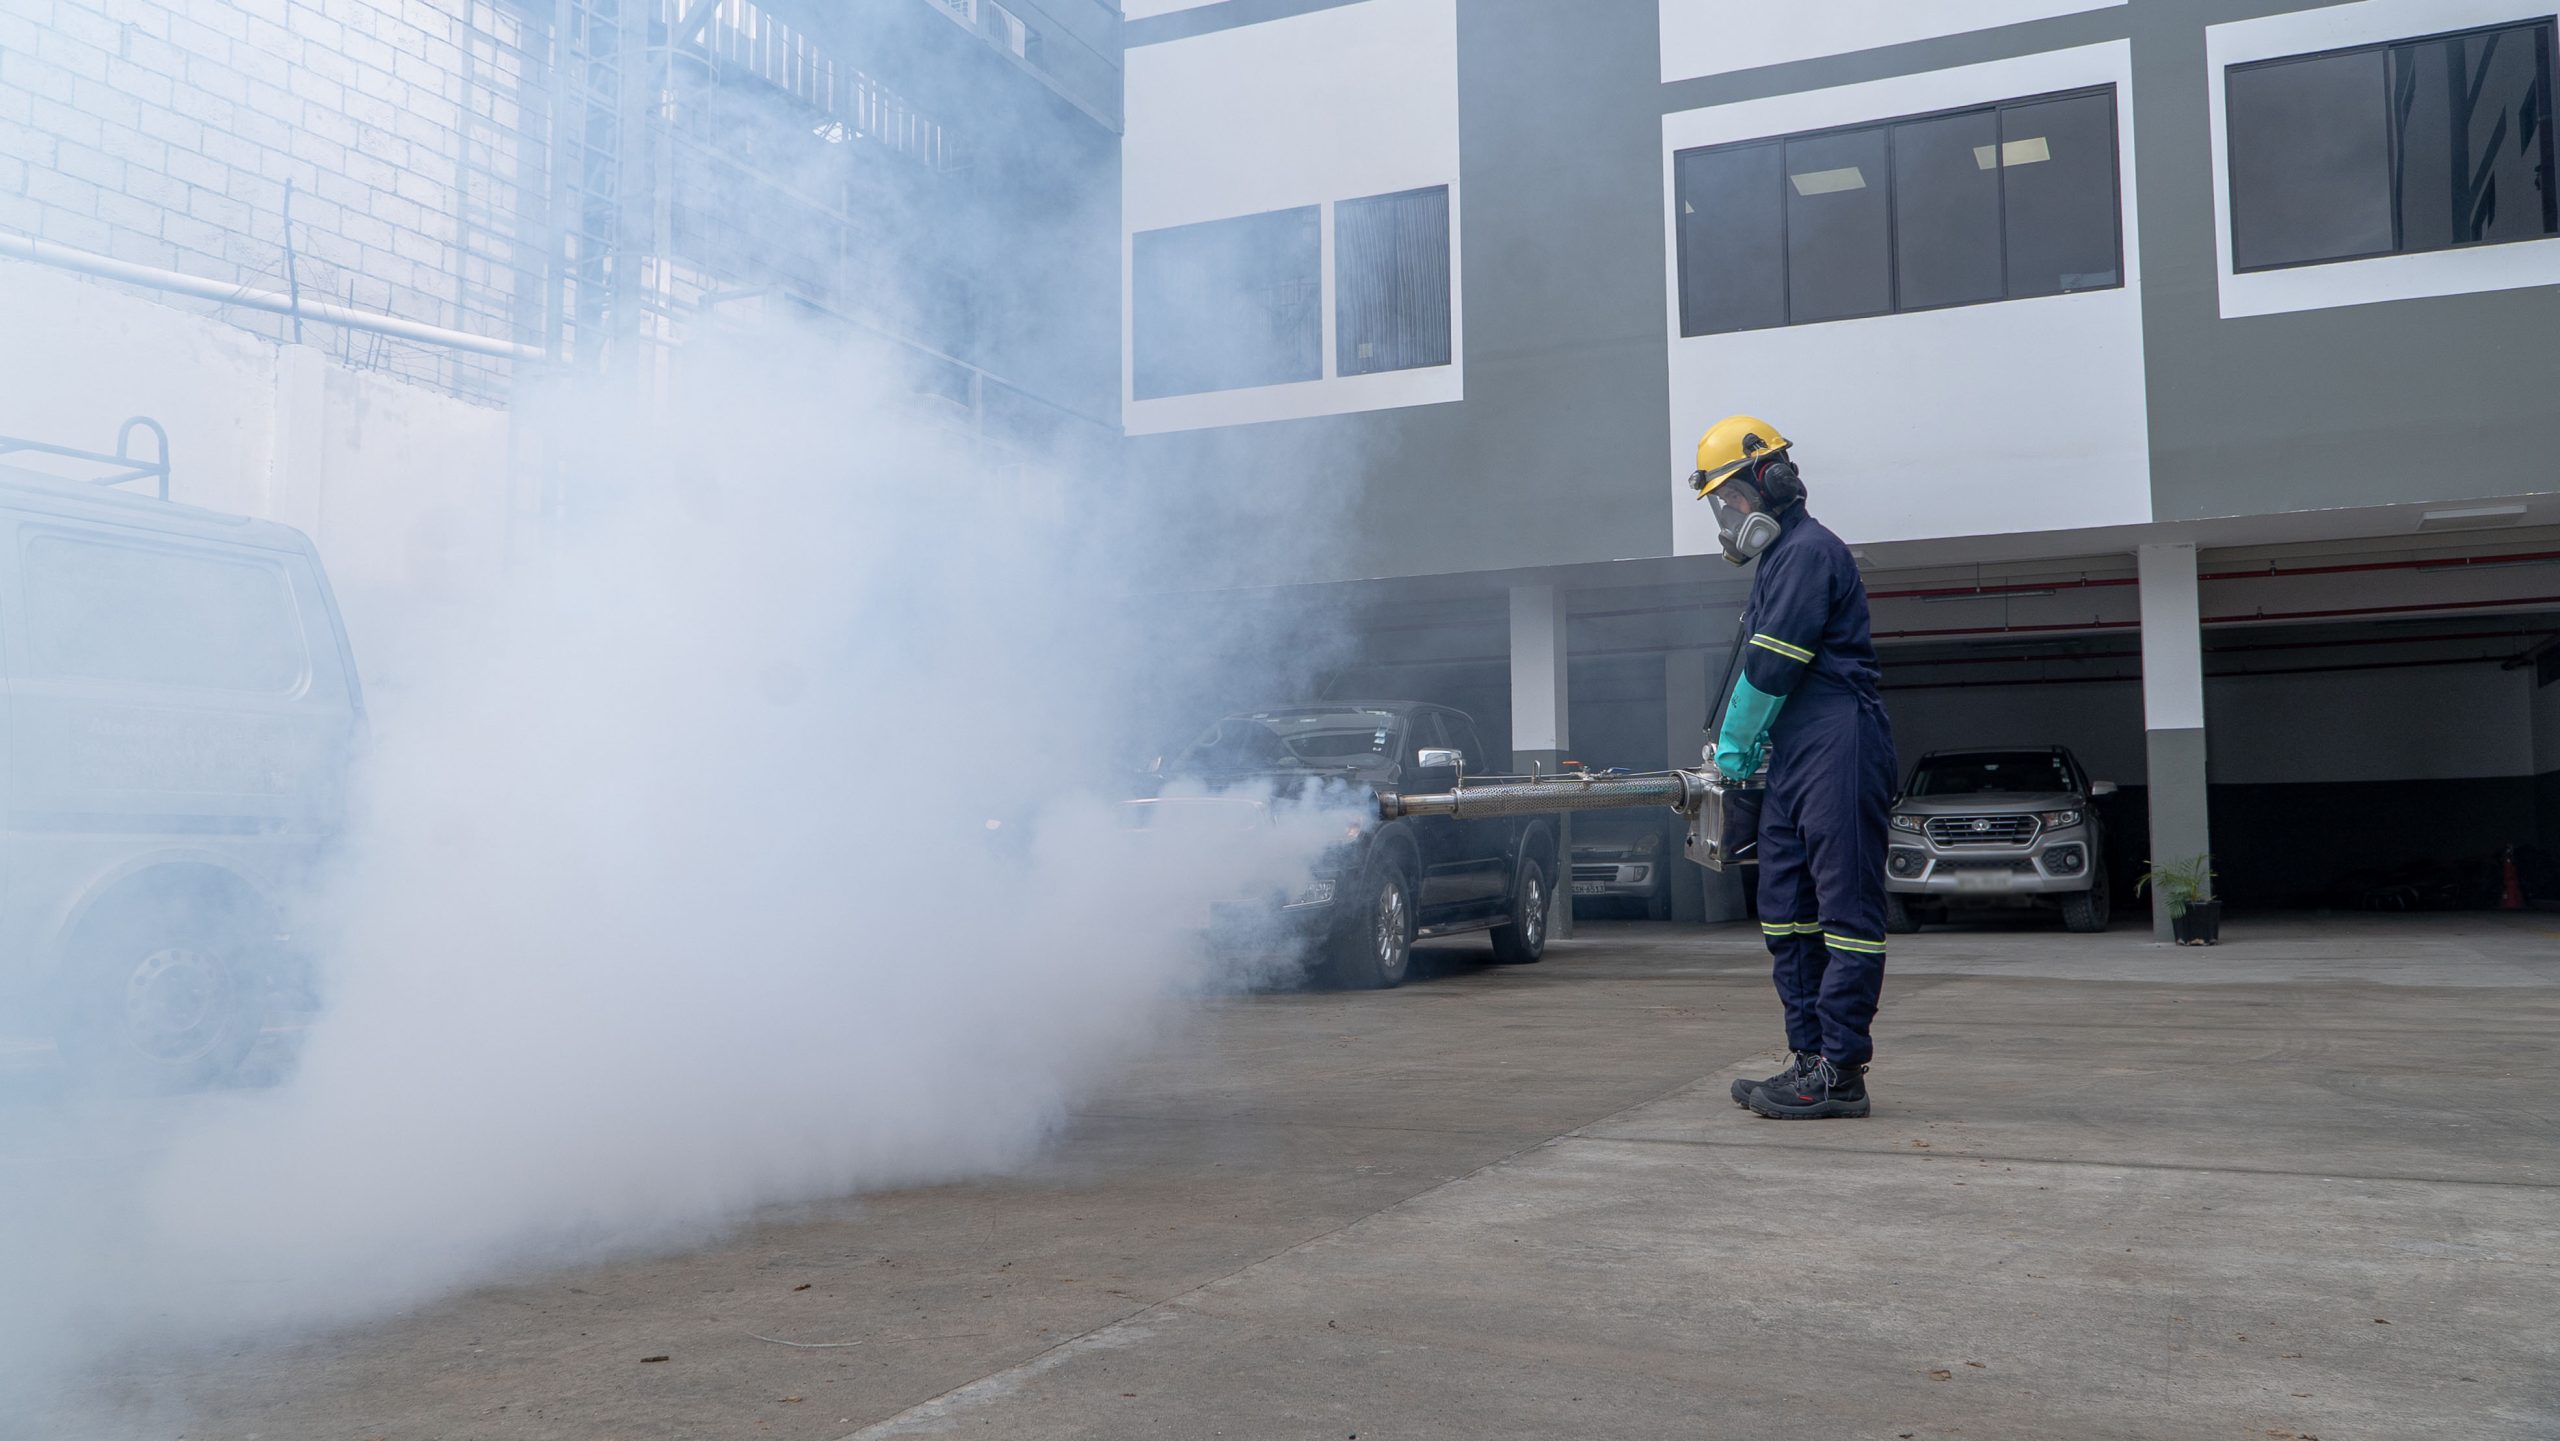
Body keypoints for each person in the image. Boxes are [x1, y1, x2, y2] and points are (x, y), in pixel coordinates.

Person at [1689, 415, 1896, 1120]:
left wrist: (1735, 745)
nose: (1728, 514)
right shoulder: (1780, 561)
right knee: (1785, 908)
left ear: (1769, 479)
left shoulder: (1810, 552)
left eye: (1729, 497)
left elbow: (1773, 664)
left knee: (1844, 914)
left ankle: (1842, 1071)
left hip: (1840, 740)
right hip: (1795, 752)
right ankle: (1808, 1057)